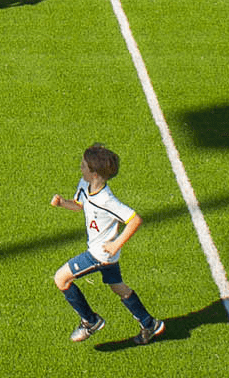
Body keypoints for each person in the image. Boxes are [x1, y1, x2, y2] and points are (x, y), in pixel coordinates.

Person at [50, 143, 165, 345]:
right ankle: (149, 324)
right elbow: (79, 206)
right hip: (106, 253)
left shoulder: (107, 200)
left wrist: (116, 244)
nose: (81, 167)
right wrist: (62, 203)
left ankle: (90, 321)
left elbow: (135, 219)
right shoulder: (85, 185)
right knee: (117, 286)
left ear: (94, 174)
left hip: (100, 254)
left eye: (84, 165)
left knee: (61, 279)